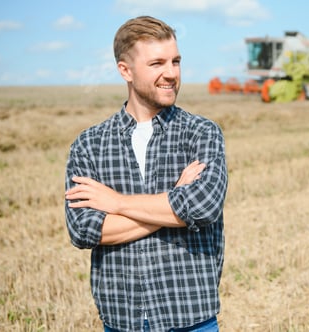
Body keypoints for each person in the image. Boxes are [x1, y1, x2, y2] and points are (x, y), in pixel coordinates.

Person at [64, 16, 228, 332]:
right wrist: (173, 201)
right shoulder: (89, 145)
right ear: (125, 70)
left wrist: (116, 203)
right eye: (157, 63)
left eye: (176, 61)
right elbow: (84, 231)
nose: (171, 73)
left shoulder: (201, 133)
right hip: (121, 321)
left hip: (191, 320)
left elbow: (202, 207)